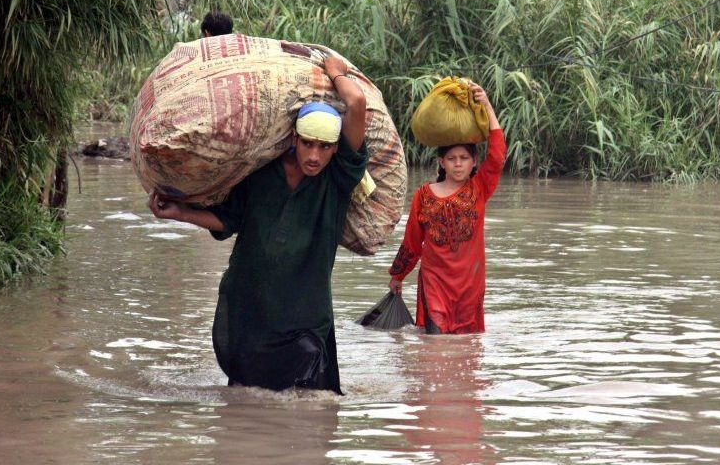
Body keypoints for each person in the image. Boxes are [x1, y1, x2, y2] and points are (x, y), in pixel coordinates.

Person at [148, 56, 367, 394]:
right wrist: (178, 212)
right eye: (308, 143)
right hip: (249, 306)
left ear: (335, 149)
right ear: (293, 139)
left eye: (324, 148)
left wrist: (336, 72)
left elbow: (356, 103)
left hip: (306, 316)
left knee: (313, 405)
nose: (314, 156)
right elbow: (228, 219)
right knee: (243, 400)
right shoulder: (261, 173)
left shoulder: (338, 179)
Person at [387, 82, 505, 334]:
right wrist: (398, 276)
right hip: (434, 282)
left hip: (470, 286)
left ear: (474, 162)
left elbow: (497, 155)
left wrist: (487, 105)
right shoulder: (424, 195)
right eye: (451, 159)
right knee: (435, 347)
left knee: (465, 350)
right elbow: (412, 242)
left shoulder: (479, 189)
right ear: (442, 162)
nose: (458, 164)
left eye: (464, 159)